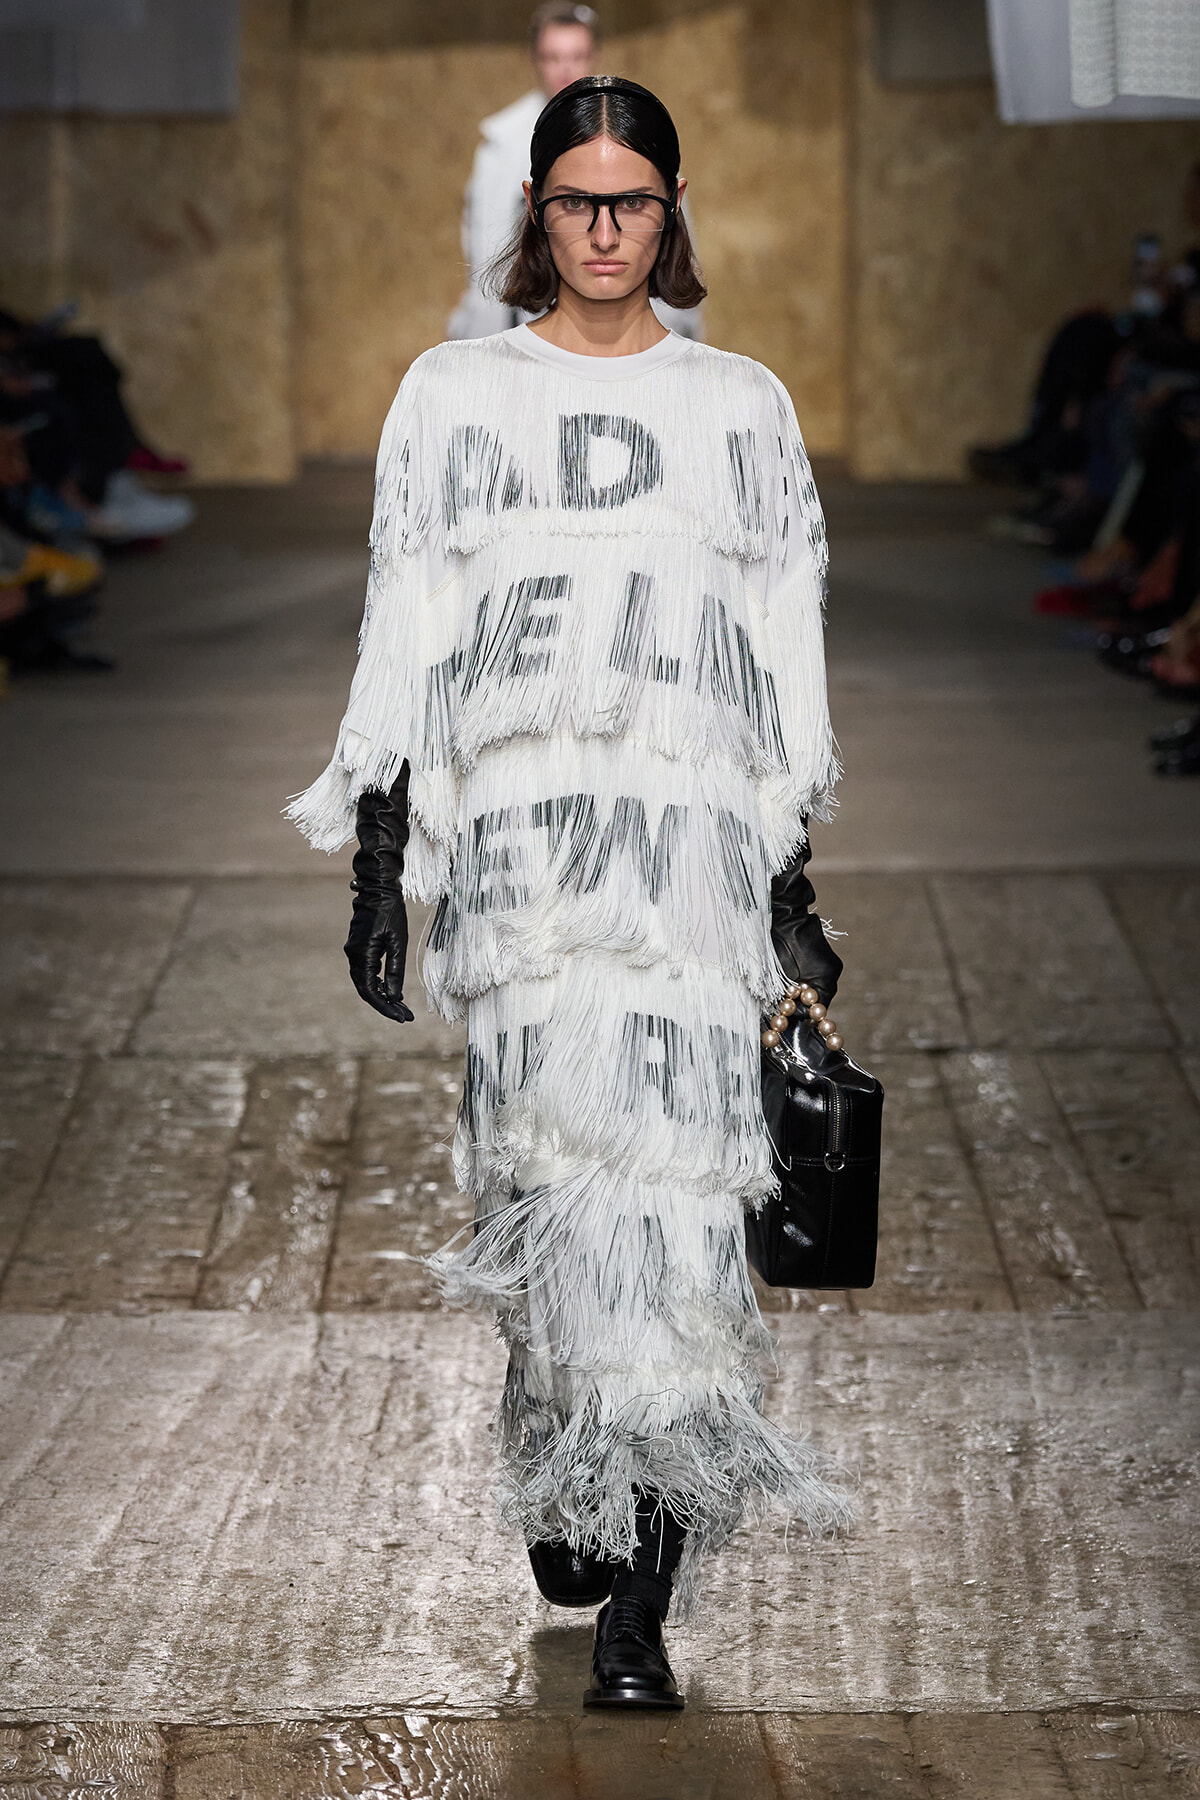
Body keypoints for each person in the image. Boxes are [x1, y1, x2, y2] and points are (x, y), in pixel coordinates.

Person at [290, 74, 848, 1711]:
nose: (607, 231)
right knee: (549, 1208)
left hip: (688, 870)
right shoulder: (454, 393)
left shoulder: (740, 400)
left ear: (673, 212)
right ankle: (566, 1462)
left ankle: (640, 1615)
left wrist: (793, 864)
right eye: (577, 202)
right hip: (524, 872)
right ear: (538, 216)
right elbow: (407, 620)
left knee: (670, 1223)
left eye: (635, 201)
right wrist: (382, 857)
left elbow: (778, 645)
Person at [448, 4, 703, 343]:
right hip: (524, 325)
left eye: (576, 55)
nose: (565, 69)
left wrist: (676, 339)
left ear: (594, 54)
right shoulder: (501, 144)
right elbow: (485, 252)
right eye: (553, 57)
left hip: (631, 331)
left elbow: (672, 244)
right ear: (535, 59)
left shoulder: (638, 130)